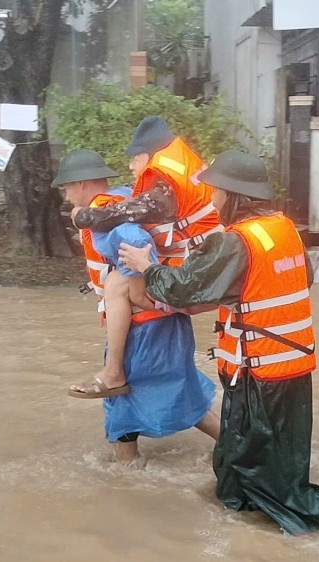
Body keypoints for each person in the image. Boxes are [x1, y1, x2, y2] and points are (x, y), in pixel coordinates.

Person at [118, 151, 319, 535]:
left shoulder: (235, 242)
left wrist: (146, 267)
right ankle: (251, 515)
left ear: (234, 195)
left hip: (257, 371)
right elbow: (291, 281)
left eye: (217, 192)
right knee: (276, 455)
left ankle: (296, 528)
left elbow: (181, 287)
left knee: (251, 462)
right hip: (292, 364)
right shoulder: (283, 229)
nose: (213, 201)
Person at [53, 149, 219, 464]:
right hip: (158, 321)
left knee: (123, 396)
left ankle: (126, 472)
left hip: (145, 324)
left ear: (82, 184)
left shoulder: (103, 210)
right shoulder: (124, 198)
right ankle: (235, 448)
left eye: (67, 187)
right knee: (179, 388)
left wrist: (138, 288)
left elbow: (136, 241)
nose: (66, 195)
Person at [68, 116, 220, 397]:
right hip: (205, 263)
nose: (130, 166)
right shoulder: (179, 168)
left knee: (116, 284)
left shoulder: (164, 185)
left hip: (193, 272)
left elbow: (130, 216)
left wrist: (84, 217)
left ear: (148, 155)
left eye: (134, 158)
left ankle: (113, 372)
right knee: (184, 404)